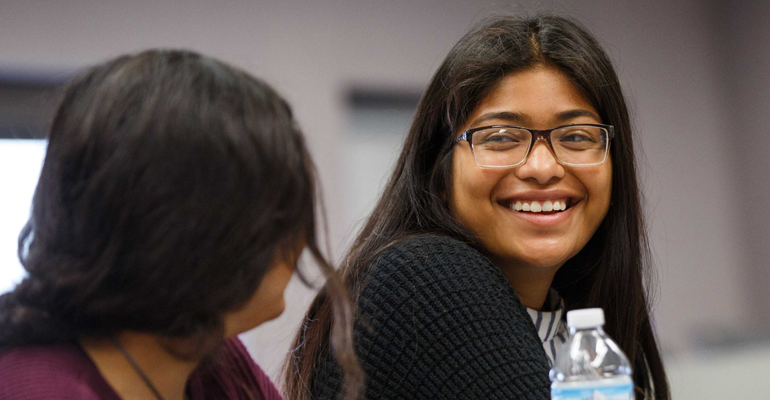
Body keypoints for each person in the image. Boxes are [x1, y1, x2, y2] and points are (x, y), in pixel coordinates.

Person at [284, 15, 669, 400]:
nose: (543, 168)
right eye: (501, 138)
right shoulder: (424, 279)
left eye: (575, 136)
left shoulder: (573, 328)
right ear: (440, 166)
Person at [0, 50, 360, 400]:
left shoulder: (212, 358)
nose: (299, 239)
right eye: (280, 213)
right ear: (196, 231)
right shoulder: (26, 389)